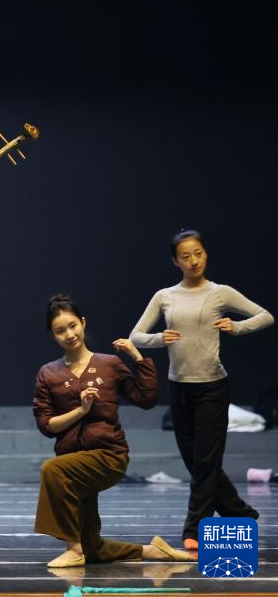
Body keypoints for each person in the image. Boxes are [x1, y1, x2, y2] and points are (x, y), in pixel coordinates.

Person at [129, 229, 273, 550]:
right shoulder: (165, 296)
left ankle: (194, 529)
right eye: (186, 256)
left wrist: (237, 326)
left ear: (206, 254)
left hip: (212, 387)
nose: (194, 261)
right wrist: (159, 338)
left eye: (198, 254)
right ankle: (241, 513)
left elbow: (265, 316)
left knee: (206, 462)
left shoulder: (220, 293)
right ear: (175, 261)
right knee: (196, 462)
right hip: (179, 389)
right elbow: (136, 335)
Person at [33, 294, 193, 568]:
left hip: (108, 454)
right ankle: (152, 551)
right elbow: (46, 425)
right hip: (73, 462)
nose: (69, 334)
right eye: (60, 331)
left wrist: (136, 356)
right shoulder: (48, 373)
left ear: (83, 323)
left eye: (72, 325)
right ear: (52, 335)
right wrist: (81, 410)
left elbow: (146, 399)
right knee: (93, 548)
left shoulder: (109, 364)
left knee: (52, 470)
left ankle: (73, 549)